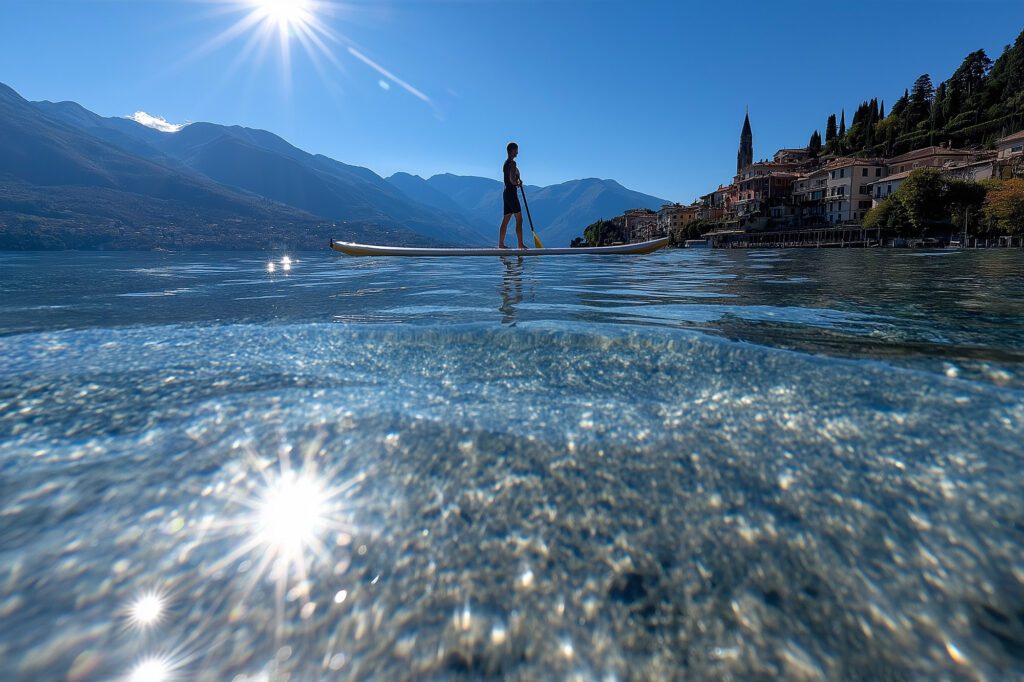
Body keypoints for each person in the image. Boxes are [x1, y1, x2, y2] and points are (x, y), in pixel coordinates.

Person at [499, 142, 527, 249]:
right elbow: (512, 180)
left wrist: (516, 180)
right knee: (519, 219)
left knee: (506, 219)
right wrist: (518, 183)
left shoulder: (506, 163)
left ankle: (501, 244)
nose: (517, 153)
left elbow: (510, 178)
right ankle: (520, 244)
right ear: (512, 150)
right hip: (511, 193)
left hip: (506, 193)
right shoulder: (512, 163)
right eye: (516, 150)